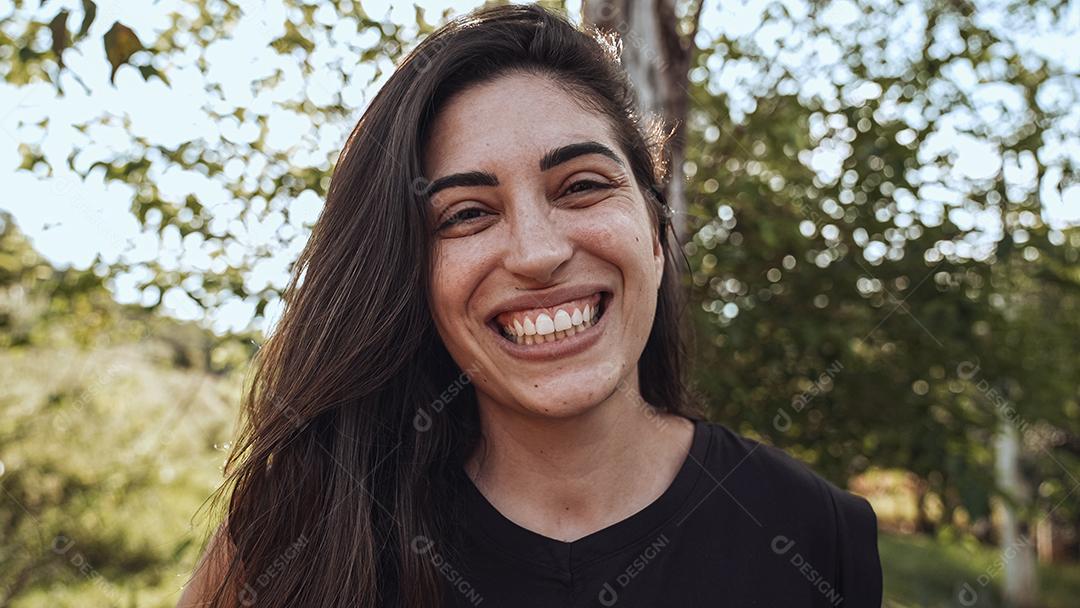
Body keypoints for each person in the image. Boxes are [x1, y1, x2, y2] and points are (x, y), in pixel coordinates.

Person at [178, 4, 882, 607]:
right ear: (411, 275)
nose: (537, 254)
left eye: (581, 186)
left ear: (656, 231)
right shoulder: (302, 530)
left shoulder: (817, 536)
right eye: (467, 214)